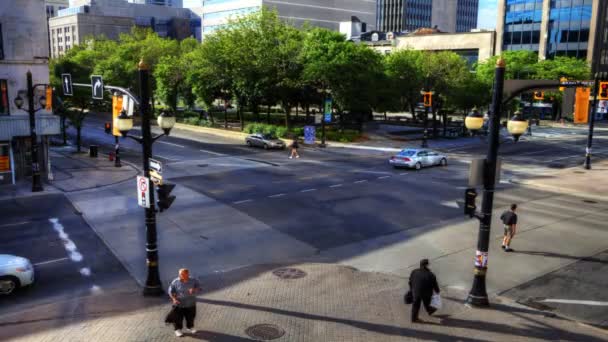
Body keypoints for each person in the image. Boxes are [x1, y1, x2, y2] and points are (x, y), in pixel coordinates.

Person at [168, 268, 201, 337]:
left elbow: (199, 287)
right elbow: (170, 291)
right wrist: (174, 299)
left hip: (191, 303)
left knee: (191, 317)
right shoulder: (175, 282)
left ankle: (190, 327)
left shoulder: (193, 280)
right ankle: (177, 330)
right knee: (178, 318)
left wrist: (194, 289)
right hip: (179, 303)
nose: (182, 276)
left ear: (188, 274)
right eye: (181, 275)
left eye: (184, 275)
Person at [408, 259, 440, 323]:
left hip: (416, 291)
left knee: (416, 305)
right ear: (427, 265)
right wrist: (437, 292)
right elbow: (435, 286)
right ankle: (430, 310)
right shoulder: (431, 275)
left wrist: (411, 289)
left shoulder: (414, 271)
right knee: (427, 303)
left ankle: (414, 319)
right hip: (426, 293)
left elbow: (410, 281)